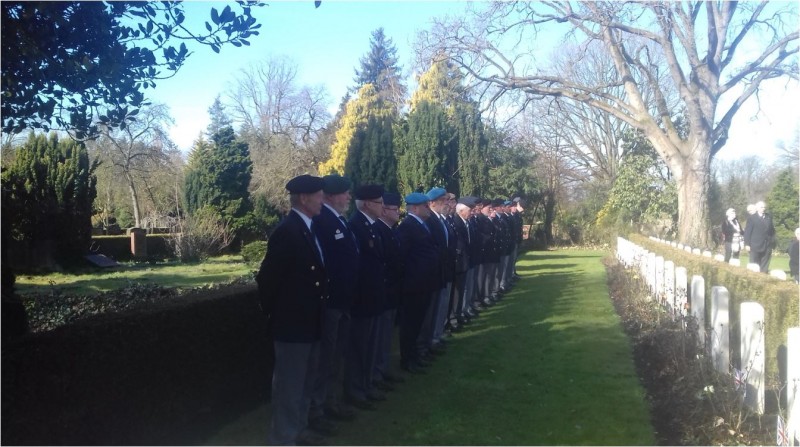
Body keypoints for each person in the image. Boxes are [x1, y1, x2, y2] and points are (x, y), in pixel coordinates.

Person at [255, 174, 328, 446]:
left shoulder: (307, 227)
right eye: (318, 195)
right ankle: (283, 439)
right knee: (289, 387)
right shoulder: (288, 231)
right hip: (293, 326)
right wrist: (279, 314)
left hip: (310, 322)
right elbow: (267, 280)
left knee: (306, 383)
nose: (322, 199)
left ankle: (299, 430)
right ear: (304, 198)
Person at [308, 175, 359, 430]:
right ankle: (317, 411)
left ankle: (332, 402)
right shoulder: (322, 220)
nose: (349, 197)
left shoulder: (339, 219)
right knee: (325, 358)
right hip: (331, 302)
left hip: (343, 301)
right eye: (345, 193)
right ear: (330, 196)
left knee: (337, 355)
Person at [344, 184, 387, 409]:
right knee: (360, 348)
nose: (383, 207)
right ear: (368, 204)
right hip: (363, 299)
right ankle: (356, 390)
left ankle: (367, 384)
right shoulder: (356, 226)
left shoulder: (371, 226)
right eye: (379, 203)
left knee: (371, 345)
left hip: (374, 296)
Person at [395, 192, 440, 374]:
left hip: (424, 283)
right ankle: (407, 359)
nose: (428, 209)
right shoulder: (407, 226)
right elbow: (403, 257)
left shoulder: (422, 225)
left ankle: (414, 355)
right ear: (414, 208)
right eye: (424, 206)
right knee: (410, 324)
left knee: (418, 322)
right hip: (414, 285)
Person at [372, 192, 405, 389]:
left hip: (392, 292)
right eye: (395, 209)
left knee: (386, 337)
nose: (399, 212)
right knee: (379, 338)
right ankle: (377, 374)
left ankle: (382, 371)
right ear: (384, 210)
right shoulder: (380, 230)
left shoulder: (390, 230)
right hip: (384, 292)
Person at [743, 200, 776, 273]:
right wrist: (747, 244)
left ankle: (763, 276)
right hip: (755, 245)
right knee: (754, 265)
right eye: (761, 207)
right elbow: (748, 232)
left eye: (764, 207)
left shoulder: (768, 217)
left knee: (765, 265)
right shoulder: (752, 218)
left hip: (767, 245)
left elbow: (772, 231)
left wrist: (773, 243)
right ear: (757, 208)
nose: (763, 209)